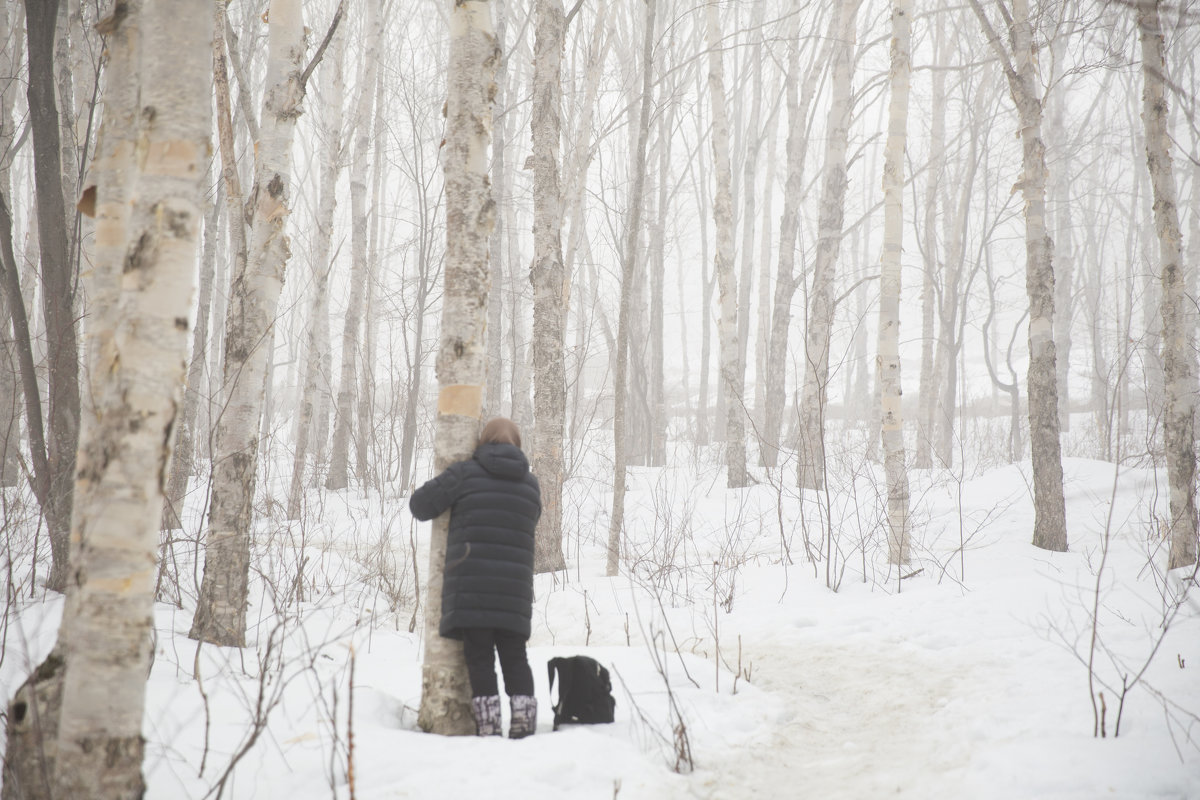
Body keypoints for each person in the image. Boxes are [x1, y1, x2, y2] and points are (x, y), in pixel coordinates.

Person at [409, 417, 542, 738]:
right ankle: (524, 724)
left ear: (482, 442)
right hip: (514, 592)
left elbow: (420, 505)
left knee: (480, 659)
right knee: (516, 658)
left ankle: (489, 726)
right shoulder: (531, 485)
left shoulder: (464, 474)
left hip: (472, 590)